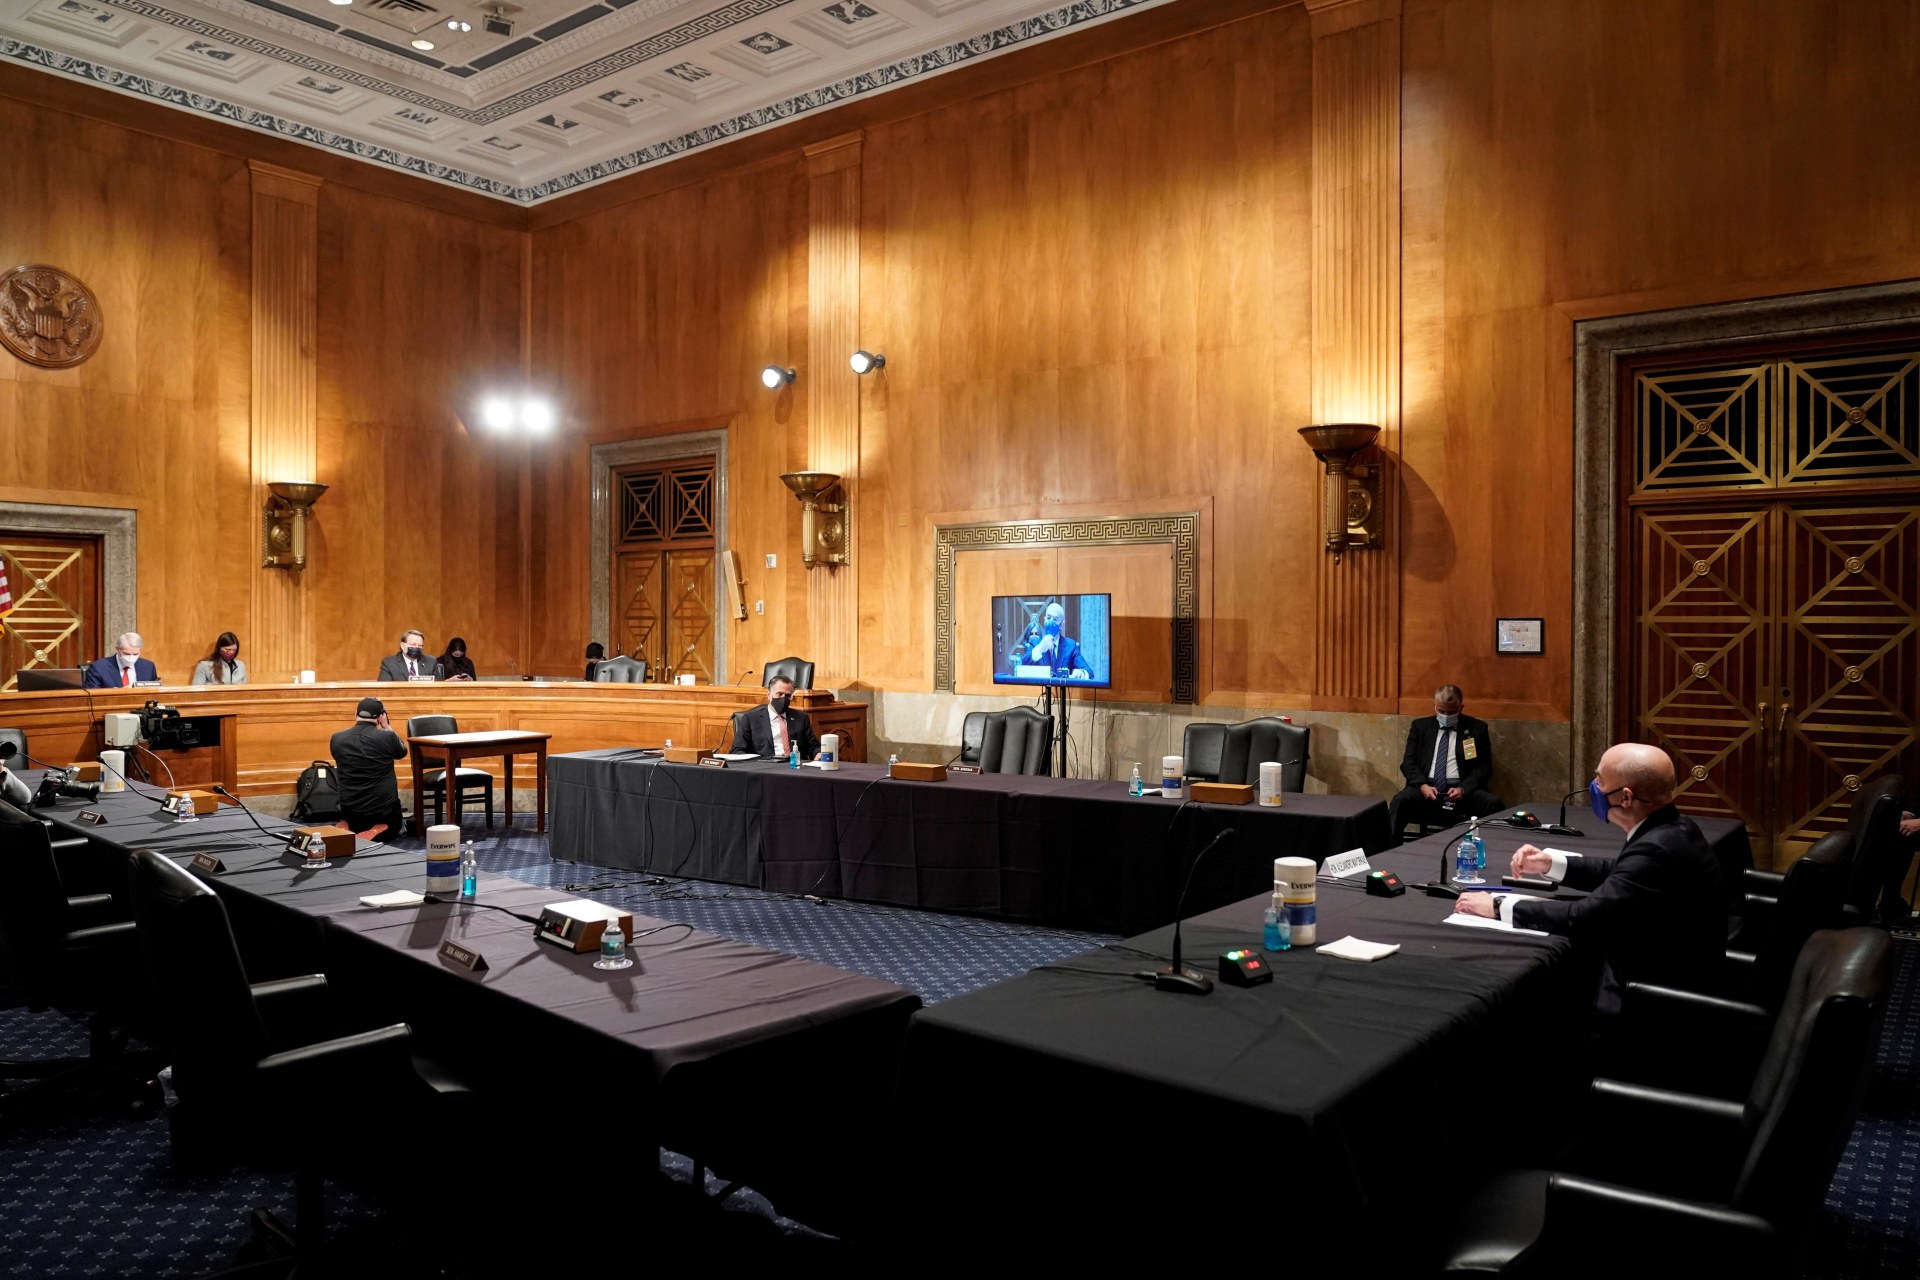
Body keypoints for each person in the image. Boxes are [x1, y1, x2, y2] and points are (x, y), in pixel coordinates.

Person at [1454, 742, 1726, 1008]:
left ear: (1626, 797)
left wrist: (1498, 905)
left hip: (1654, 997)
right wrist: (1550, 864)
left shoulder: (1656, 847)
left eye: (1599, 780)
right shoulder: (1675, 826)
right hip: (1679, 968)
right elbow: (1621, 872)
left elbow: (1584, 917)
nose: (1592, 787)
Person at [1387, 684, 1503, 838]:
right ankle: (1387, 852)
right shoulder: (1420, 727)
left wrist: (1463, 789)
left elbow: (1483, 767)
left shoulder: (1476, 728)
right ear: (1434, 706)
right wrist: (1422, 785)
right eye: (1441, 711)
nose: (1446, 716)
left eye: (1451, 712)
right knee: (1400, 801)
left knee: (1493, 803)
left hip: (1462, 791)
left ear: (1461, 708)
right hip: (1426, 789)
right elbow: (1408, 763)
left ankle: (1493, 851)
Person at [328, 697, 407, 838]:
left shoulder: (336, 738)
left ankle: (348, 826)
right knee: (394, 823)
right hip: (381, 812)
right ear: (381, 716)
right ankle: (380, 829)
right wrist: (387, 727)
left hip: (350, 810)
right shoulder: (386, 737)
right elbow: (402, 752)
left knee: (351, 813)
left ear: (355, 714)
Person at [729, 675, 820, 760]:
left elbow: (813, 746)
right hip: (765, 769)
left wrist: (818, 754)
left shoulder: (801, 717)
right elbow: (737, 750)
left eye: (788, 695)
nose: (783, 698)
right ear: (769, 695)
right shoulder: (751, 719)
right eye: (779, 694)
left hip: (795, 767)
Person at [1008, 602, 1091, 681]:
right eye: (1048, 618)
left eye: (1055, 619)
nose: (1051, 622)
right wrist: (1040, 648)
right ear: (1044, 621)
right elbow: (1021, 667)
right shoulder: (1035, 643)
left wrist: (1081, 673)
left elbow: (1089, 672)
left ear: (1061, 625)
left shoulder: (1070, 646)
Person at [83, 632, 159, 688]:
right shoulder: (99, 667)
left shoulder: (148, 667)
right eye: (127, 654)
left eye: (135, 654)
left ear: (140, 651)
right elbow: (91, 697)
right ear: (117, 649)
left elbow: (154, 693)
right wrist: (117, 693)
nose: (131, 657)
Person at [377, 630, 442, 681]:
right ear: (402, 646)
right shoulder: (389, 663)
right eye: (413, 644)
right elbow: (383, 690)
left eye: (420, 645)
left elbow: (439, 687)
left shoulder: (430, 662)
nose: (417, 647)